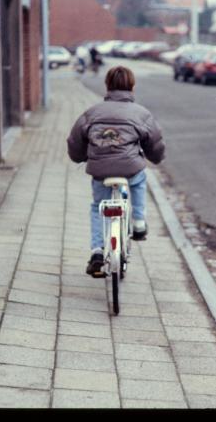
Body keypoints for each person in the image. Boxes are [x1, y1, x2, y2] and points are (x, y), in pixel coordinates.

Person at [67, 66, 165, 277]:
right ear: (132, 86)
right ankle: (138, 221)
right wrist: (155, 158)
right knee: (139, 180)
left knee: (97, 207)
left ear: (107, 86)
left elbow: (75, 141)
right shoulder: (141, 113)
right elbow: (154, 143)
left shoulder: (91, 112)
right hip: (130, 168)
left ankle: (96, 251)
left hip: (100, 169)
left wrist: (80, 157)